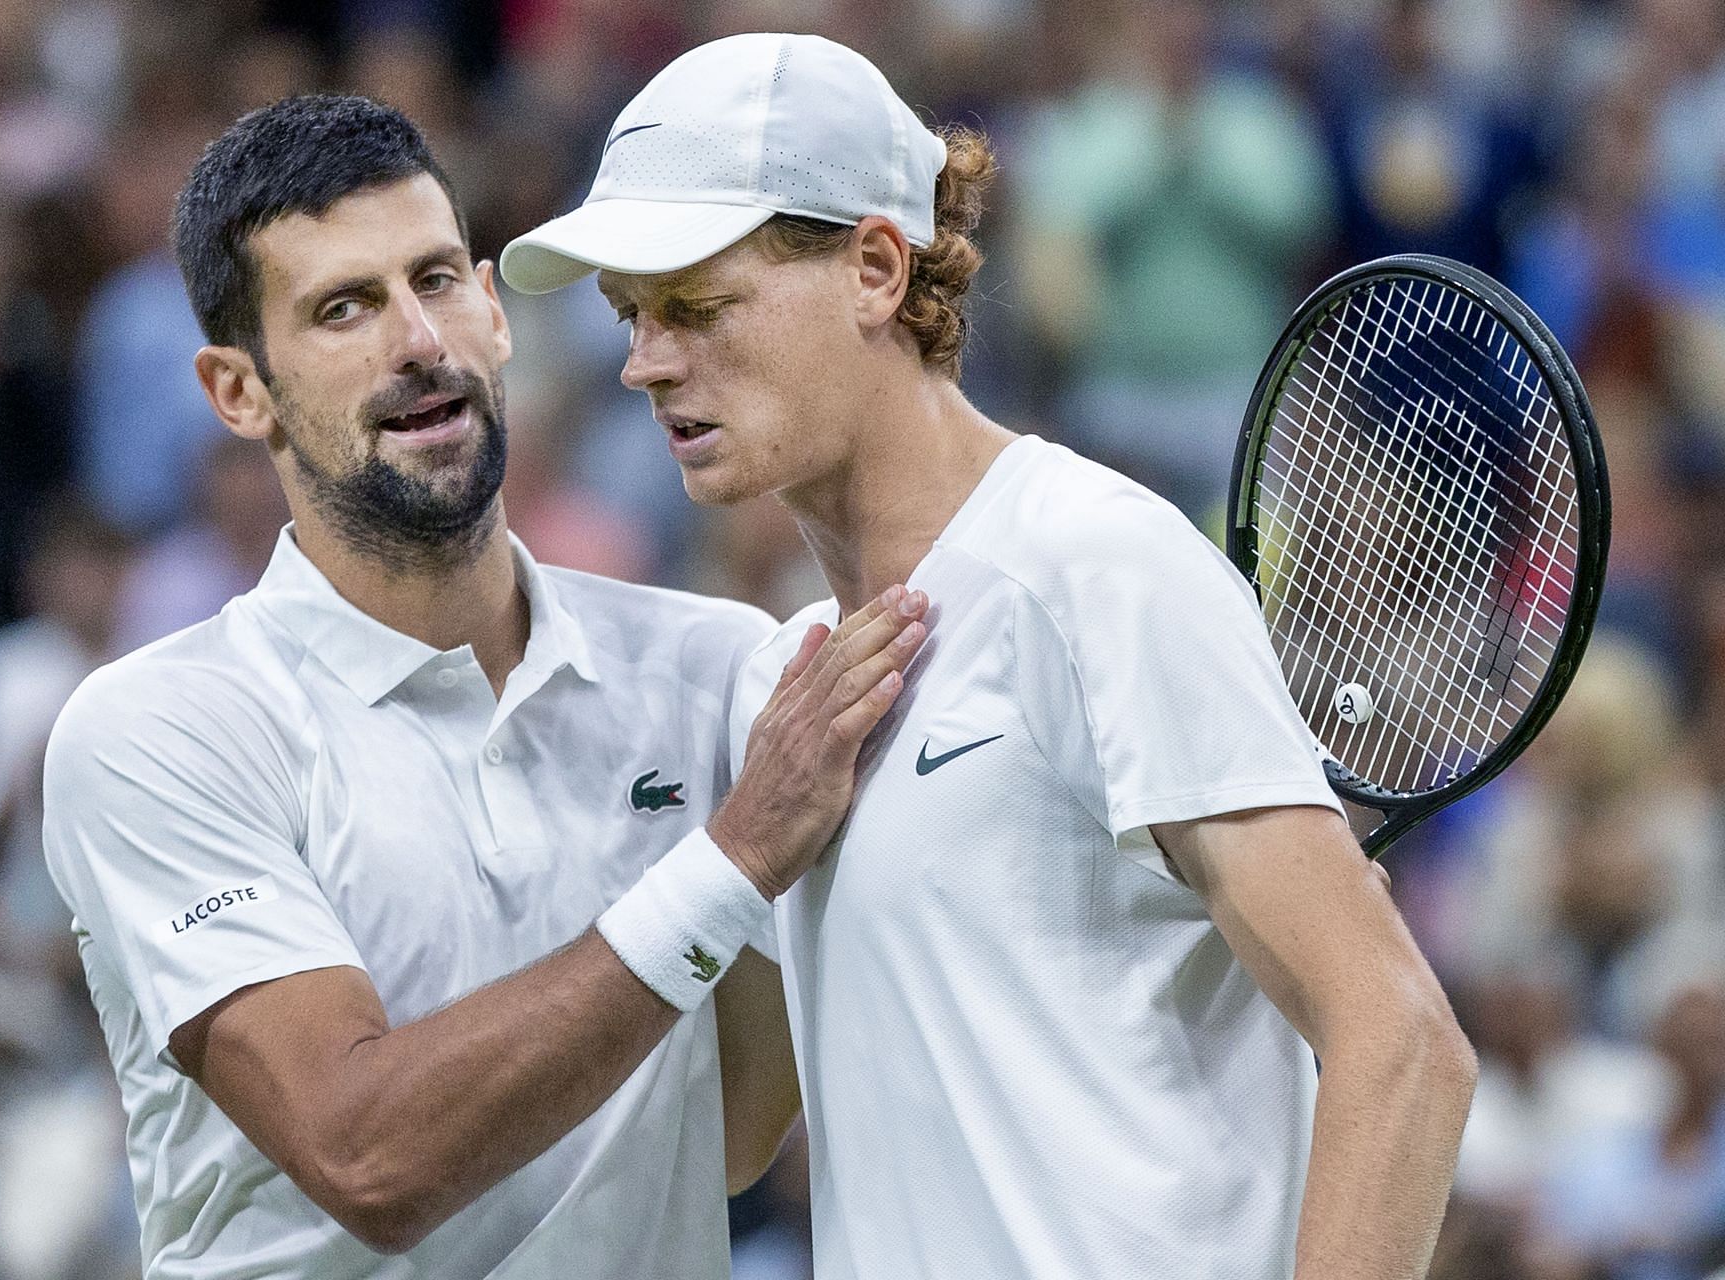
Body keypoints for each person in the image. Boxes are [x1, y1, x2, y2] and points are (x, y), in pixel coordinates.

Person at [502, 32, 1479, 1280]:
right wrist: (742, 849)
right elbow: (738, 1131)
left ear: (872, 267)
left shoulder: (1095, 567)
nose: (646, 360)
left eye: (698, 305)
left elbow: (1402, 1043)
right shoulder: (794, 683)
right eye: (631, 315)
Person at [40, 94, 929, 1278]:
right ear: (237, 392)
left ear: (496, 313)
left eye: (438, 279)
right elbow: (368, 1158)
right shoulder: (162, 729)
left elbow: (713, 1137)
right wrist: (735, 860)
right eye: (343, 308)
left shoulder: (714, 666)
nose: (418, 339)